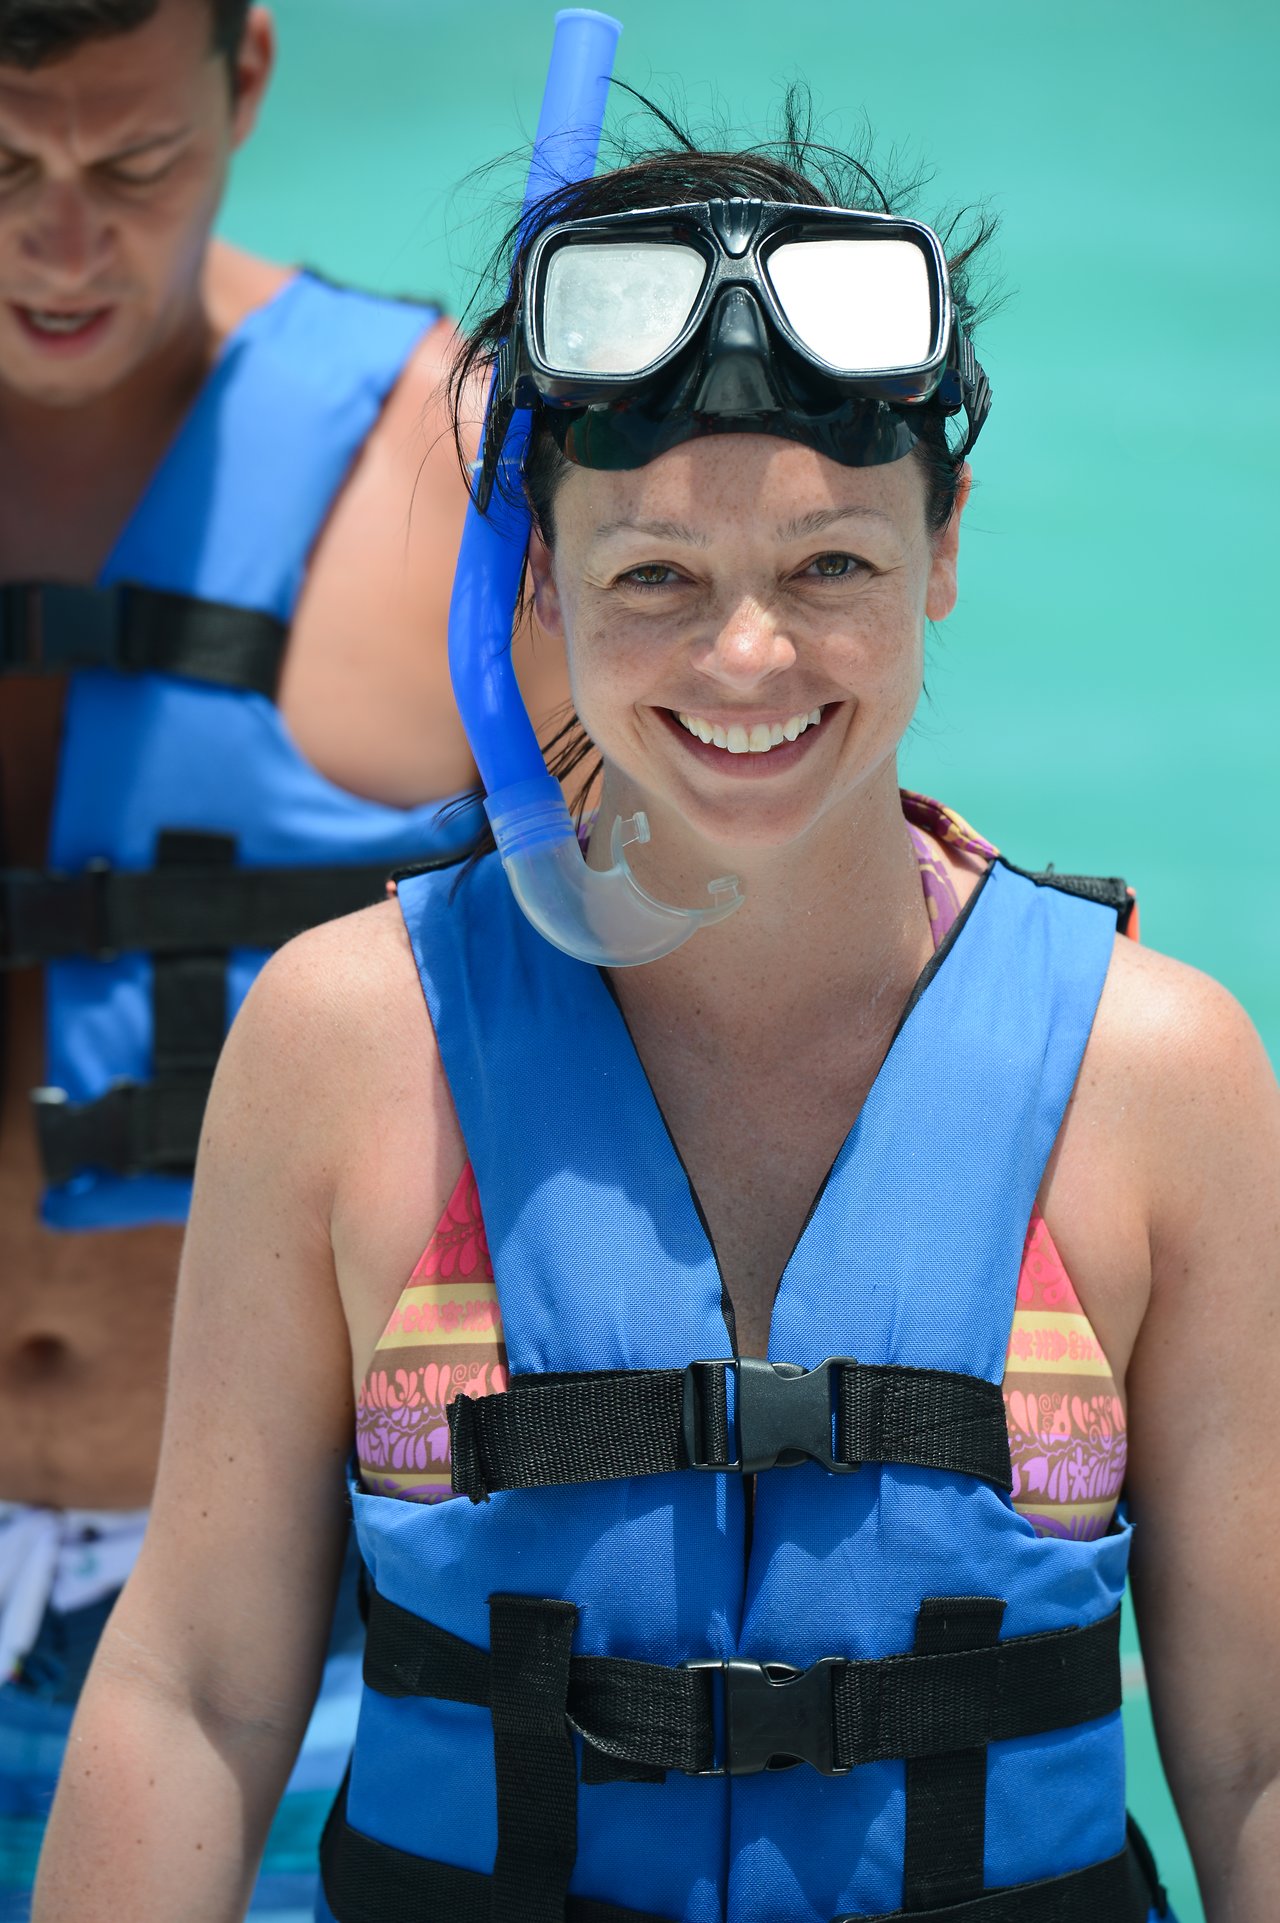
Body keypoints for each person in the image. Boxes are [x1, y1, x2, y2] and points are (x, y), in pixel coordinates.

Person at [31, 103, 1280, 1923]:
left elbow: (1249, 1756)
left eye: (832, 565)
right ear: (535, 580)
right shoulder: (353, 1041)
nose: (749, 655)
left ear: (943, 556)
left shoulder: (1155, 1076)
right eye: (655, 578)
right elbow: (202, 1694)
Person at [0, 0, 566, 1914]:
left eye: (130, 165)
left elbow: (728, 868)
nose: (61, 243)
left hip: (278, 1631)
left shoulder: (452, 477)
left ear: (248, 77)